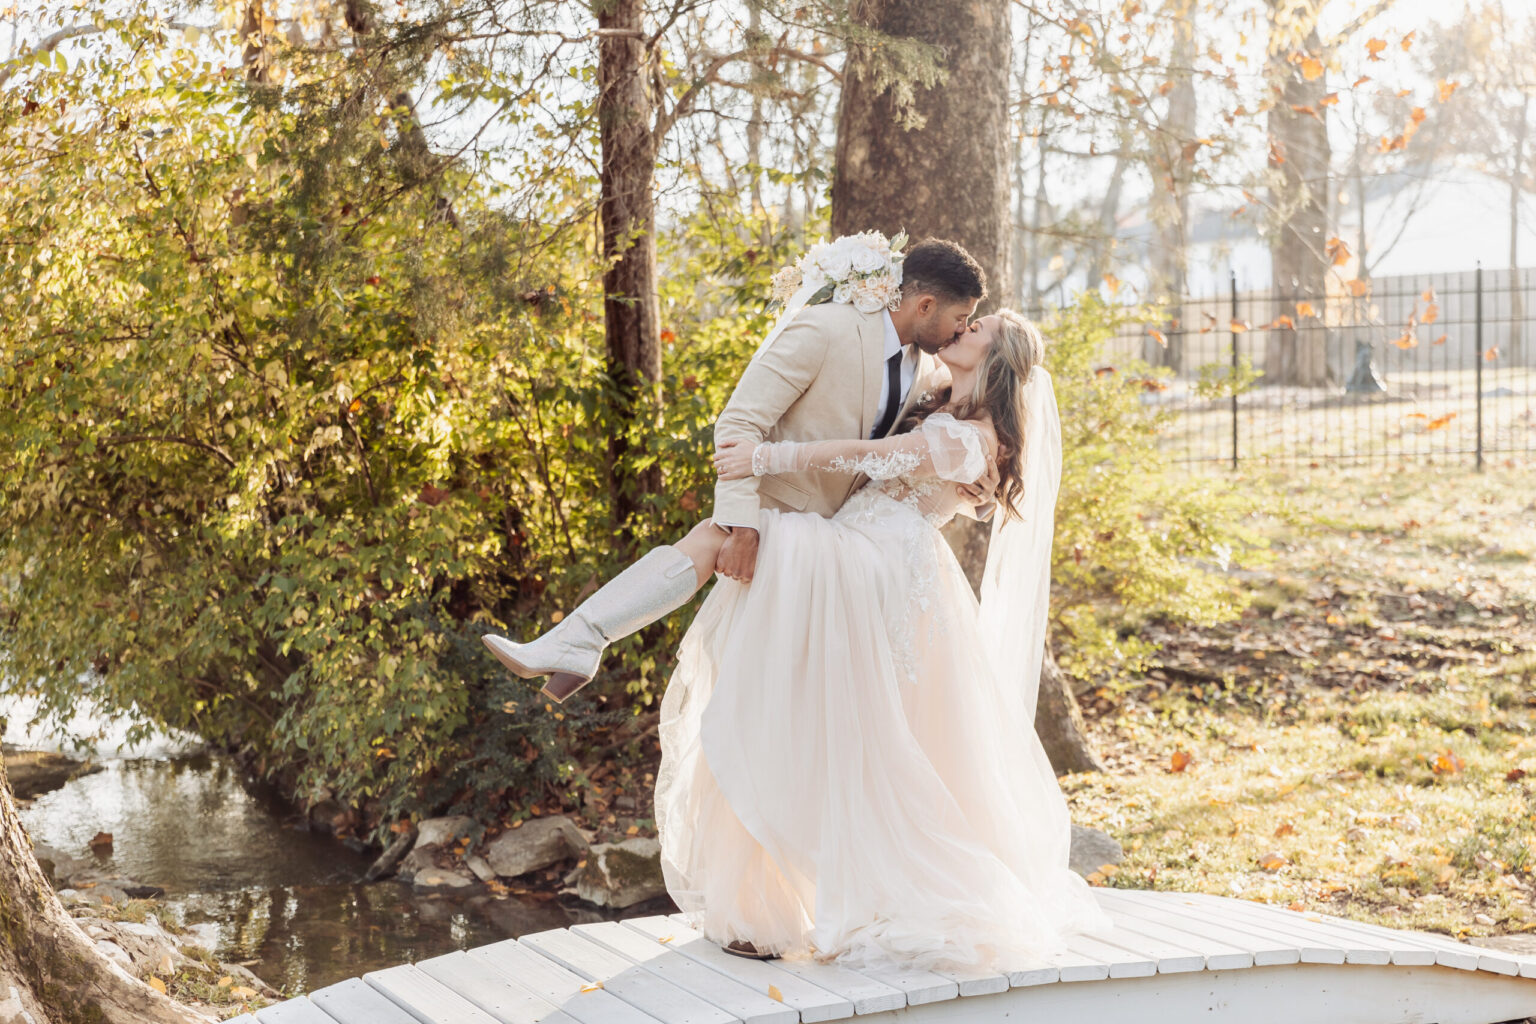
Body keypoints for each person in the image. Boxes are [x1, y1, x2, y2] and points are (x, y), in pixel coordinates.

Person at [481, 239, 998, 703]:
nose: (962, 329)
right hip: (782, 519)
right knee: (720, 564)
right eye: (961, 316)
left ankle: (578, 643)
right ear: (925, 304)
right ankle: (579, 641)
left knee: (799, 705)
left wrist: (980, 491)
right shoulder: (826, 328)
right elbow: (739, 423)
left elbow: (927, 455)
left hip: (844, 551)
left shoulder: (931, 371)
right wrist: (743, 523)